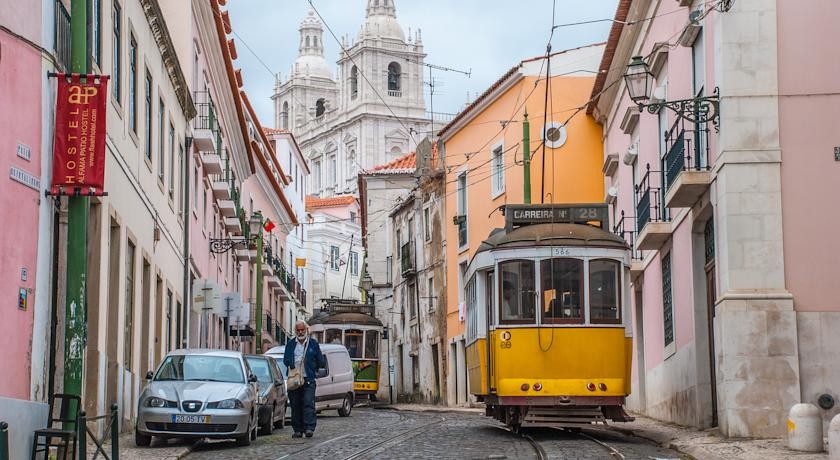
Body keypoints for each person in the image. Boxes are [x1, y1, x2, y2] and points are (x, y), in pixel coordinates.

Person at [284, 320, 326, 438]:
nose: (300, 332)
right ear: (295, 331)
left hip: (309, 379)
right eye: (298, 330)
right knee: (295, 404)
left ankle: (309, 428)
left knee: (308, 403)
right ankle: (297, 430)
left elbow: (320, 361)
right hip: (294, 379)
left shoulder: (313, 344)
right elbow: (285, 359)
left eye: (302, 330)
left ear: (306, 330)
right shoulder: (291, 344)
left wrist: (313, 368)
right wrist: (292, 365)